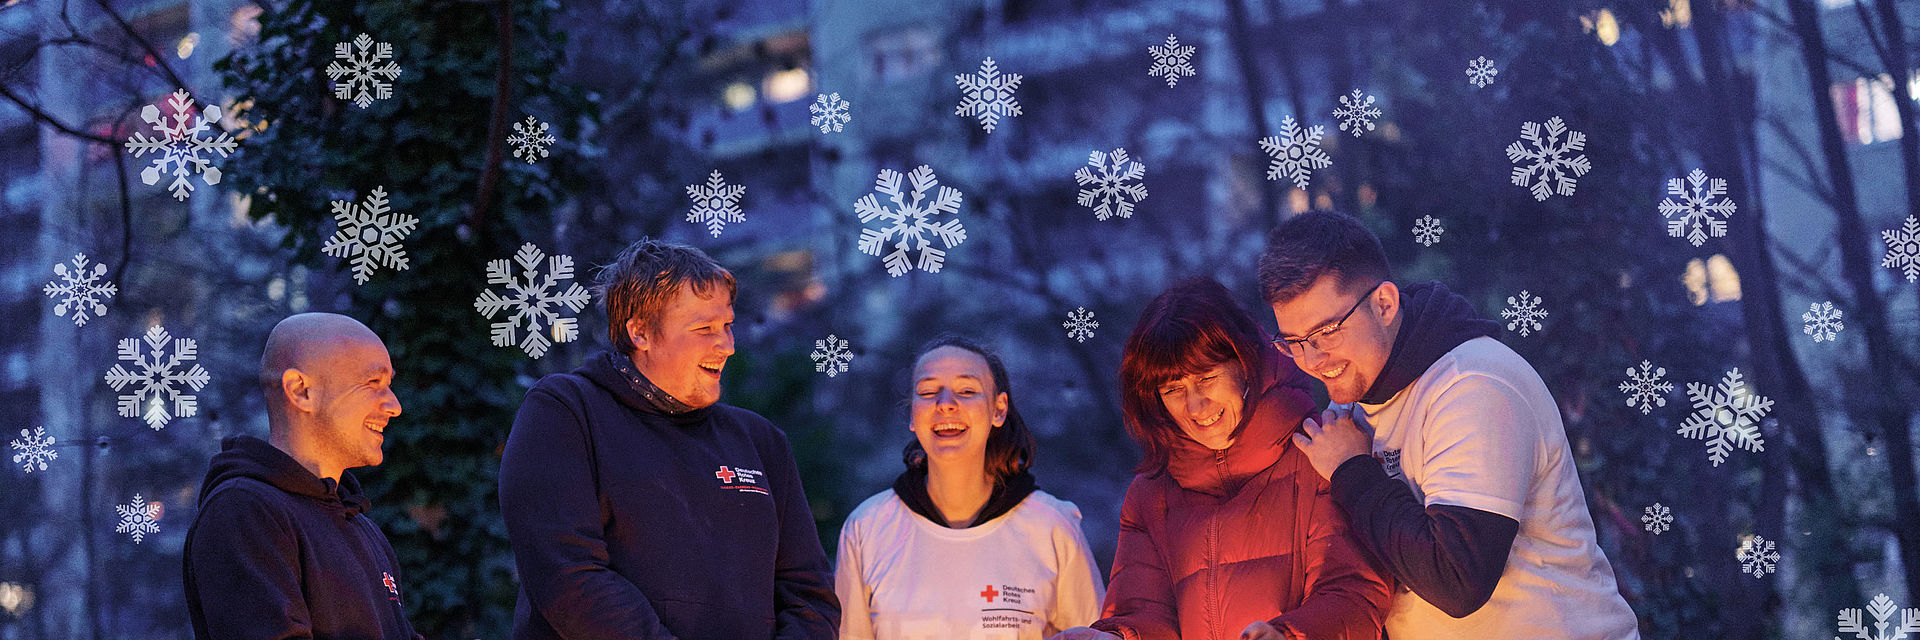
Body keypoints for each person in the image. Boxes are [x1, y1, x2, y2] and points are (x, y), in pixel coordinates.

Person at [1264, 211, 1638, 639]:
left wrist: (1353, 473)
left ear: (1384, 304)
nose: (1312, 361)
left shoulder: (1473, 384)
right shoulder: (1352, 409)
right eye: (1293, 343)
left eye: (1326, 331)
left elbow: (1458, 580)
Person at [499, 238, 839, 640]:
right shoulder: (565, 412)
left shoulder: (762, 442)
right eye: (704, 328)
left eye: (727, 325)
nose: (727, 345)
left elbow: (809, 595)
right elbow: (568, 574)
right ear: (640, 332)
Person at [1055, 277, 1390, 640]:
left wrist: (1287, 635)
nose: (1195, 406)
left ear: (1246, 363)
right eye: (1173, 389)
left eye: (1206, 378)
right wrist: (1116, 638)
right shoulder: (1151, 497)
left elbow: (1355, 595)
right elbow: (1143, 615)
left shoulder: (1322, 453)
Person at [836, 335, 1105, 640]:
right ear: (912, 413)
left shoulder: (1052, 527)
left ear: (998, 410)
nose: (946, 404)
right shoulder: (867, 530)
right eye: (928, 391)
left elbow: (1092, 634)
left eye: (966, 390)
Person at [183, 312, 422, 639]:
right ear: (300, 390)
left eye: (389, 385)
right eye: (373, 383)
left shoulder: (360, 524)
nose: (394, 405)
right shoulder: (244, 512)